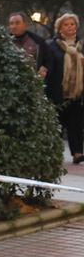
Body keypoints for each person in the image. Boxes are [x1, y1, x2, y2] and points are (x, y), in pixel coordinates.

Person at [39, 13, 84, 164]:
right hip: (56, 91)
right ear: (59, 28)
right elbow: (46, 65)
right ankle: (55, 154)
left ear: (76, 27)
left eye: (72, 24)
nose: (70, 27)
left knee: (76, 124)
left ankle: (77, 153)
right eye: (66, 24)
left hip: (76, 92)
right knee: (57, 124)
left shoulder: (81, 46)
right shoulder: (52, 46)